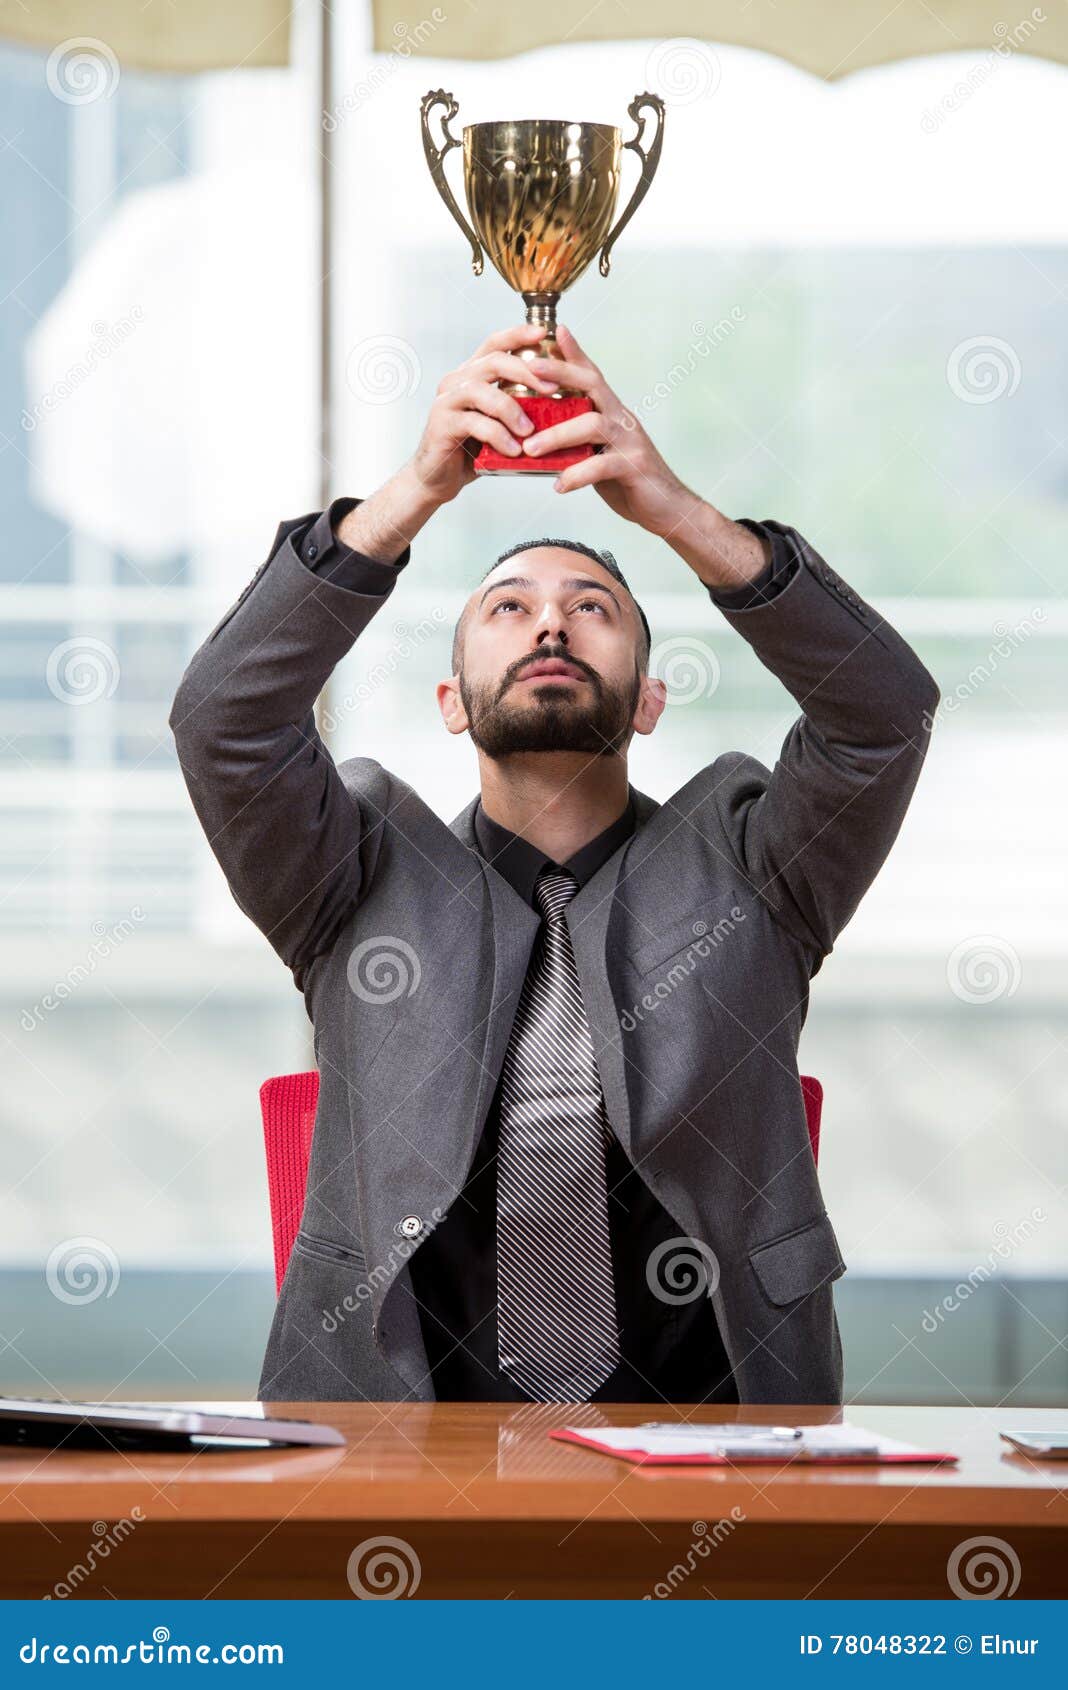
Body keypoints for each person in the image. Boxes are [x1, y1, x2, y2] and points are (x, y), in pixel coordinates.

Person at [169, 322, 939, 1406]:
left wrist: (674, 511)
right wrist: (413, 495)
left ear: (651, 697)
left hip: (715, 1432)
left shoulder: (757, 864)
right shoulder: (348, 872)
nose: (551, 628)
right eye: (509, 608)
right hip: (396, 1433)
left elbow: (883, 714)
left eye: (592, 609)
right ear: (451, 702)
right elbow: (223, 723)